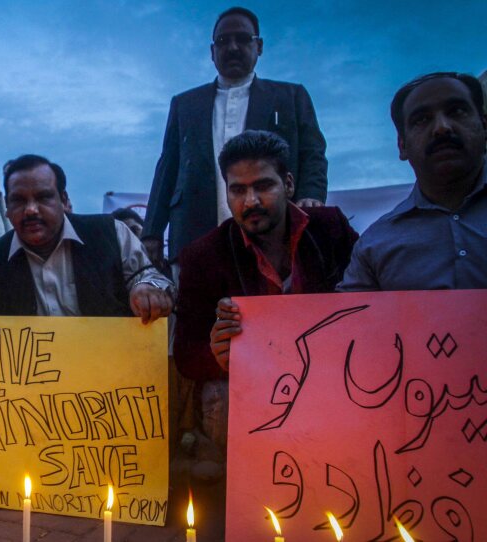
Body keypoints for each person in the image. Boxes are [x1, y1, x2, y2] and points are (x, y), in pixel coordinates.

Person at [173, 130, 357, 538]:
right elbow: (186, 354)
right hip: (251, 397)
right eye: (237, 190)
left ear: (288, 184)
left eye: (263, 186)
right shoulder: (204, 255)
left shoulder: (329, 229)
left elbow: (370, 307)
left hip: (333, 384)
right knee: (215, 395)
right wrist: (216, 354)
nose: (250, 201)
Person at [0, 154, 173, 349]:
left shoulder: (110, 233)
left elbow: (151, 277)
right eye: (18, 200)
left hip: (112, 394)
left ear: (63, 201)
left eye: (43, 197)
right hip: (34, 406)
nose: (30, 209)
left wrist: (148, 288)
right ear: (6, 209)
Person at [142, 7, 328, 271]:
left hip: (274, 236)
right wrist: (152, 231)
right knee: (194, 311)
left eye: (242, 39)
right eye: (223, 41)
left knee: (273, 311)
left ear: (259, 46)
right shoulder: (185, 105)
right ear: (211, 51)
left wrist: (310, 195)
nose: (232, 47)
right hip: (194, 236)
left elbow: (313, 153)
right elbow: (167, 168)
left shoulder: (290, 97)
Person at [338, 72, 487, 291]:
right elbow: (349, 319)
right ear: (402, 146)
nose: (442, 127)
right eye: (422, 120)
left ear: (484, 127)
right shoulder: (374, 245)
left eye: (457, 111)